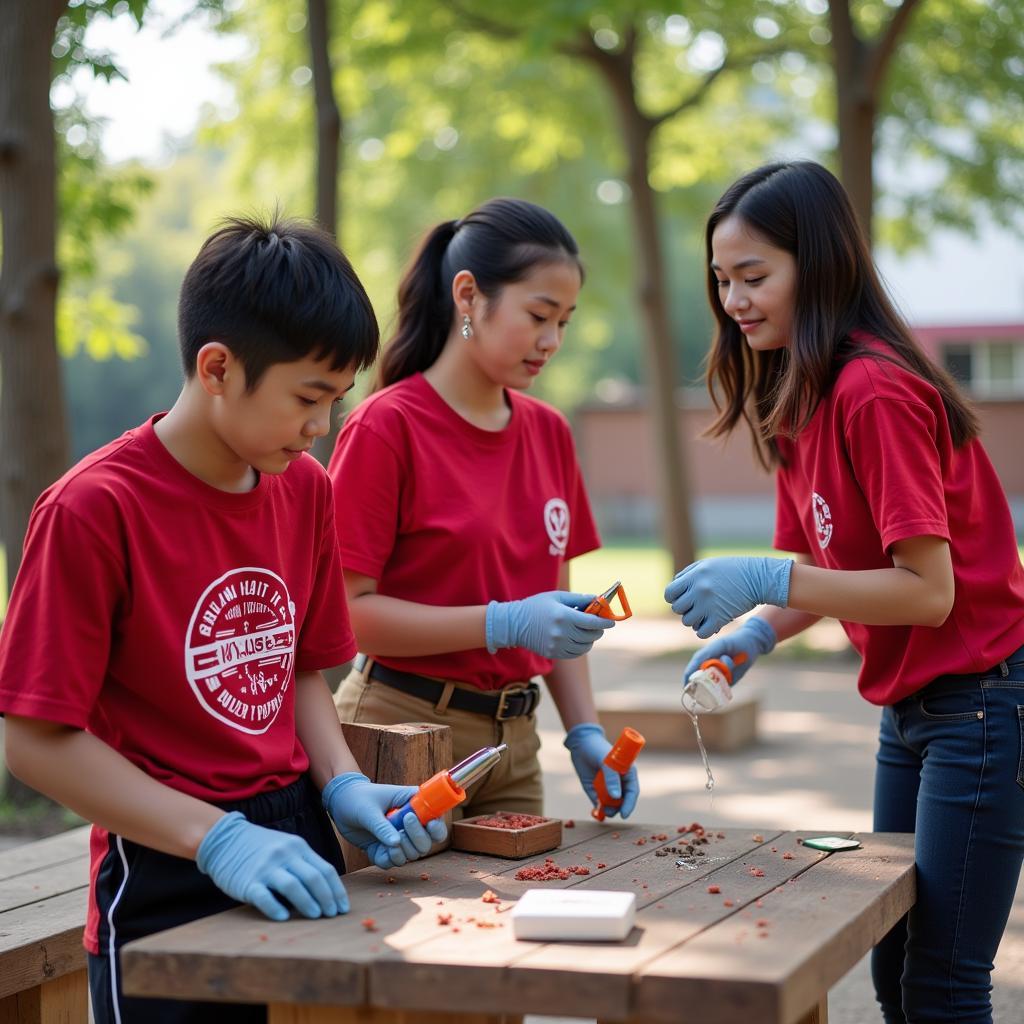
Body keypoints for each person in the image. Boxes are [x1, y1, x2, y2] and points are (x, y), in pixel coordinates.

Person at [0, 215, 447, 1024]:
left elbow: (296, 669)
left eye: (337, 400)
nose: (321, 427)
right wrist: (216, 839)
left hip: (298, 840)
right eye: (308, 397)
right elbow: (33, 741)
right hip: (164, 857)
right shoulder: (94, 509)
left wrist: (340, 780)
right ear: (217, 366)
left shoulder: (305, 488)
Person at [667, 159, 1024, 1023]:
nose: (733, 300)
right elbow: (819, 574)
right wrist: (754, 634)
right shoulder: (799, 393)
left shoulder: (875, 391)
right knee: (891, 968)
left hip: (981, 706)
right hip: (908, 716)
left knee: (941, 984)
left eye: (754, 276)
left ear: (819, 266)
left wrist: (762, 577)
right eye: (721, 279)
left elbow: (928, 592)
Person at [327, 197, 638, 821]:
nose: (552, 341)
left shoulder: (549, 432)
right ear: (468, 296)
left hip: (515, 750)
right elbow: (346, 616)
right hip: (400, 740)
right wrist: (500, 623)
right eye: (539, 316)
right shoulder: (387, 428)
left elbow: (560, 616)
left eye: (565, 323)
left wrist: (585, 733)